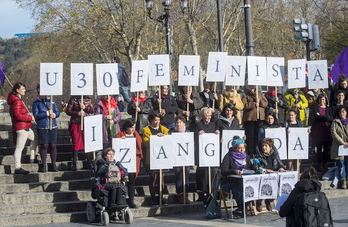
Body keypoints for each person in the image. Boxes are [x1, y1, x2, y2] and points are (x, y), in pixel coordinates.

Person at [7, 82, 37, 174]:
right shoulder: (17, 101)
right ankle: (17, 167)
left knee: (35, 138)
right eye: (22, 89)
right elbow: (18, 115)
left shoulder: (17, 100)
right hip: (21, 127)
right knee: (19, 148)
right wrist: (30, 118)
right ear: (17, 90)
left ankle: (32, 157)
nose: (24, 90)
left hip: (26, 126)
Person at [142, 112, 169, 205]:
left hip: (162, 157)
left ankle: (161, 197)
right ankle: (153, 198)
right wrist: (155, 138)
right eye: (155, 120)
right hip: (152, 158)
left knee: (161, 178)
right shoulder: (146, 130)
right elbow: (145, 143)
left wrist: (164, 137)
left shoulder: (164, 130)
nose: (157, 122)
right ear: (151, 121)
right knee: (153, 178)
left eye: (158, 120)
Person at [220, 138, 252, 218]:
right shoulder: (228, 157)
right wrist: (234, 171)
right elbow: (224, 171)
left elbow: (250, 168)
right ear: (234, 148)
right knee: (239, 188)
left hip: (244, 180)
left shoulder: (246, 157)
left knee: (250, 187)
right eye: (239, 148)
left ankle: (242, 208)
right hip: (230, 182)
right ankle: (242, 208)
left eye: (243, 147)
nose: (242, 150)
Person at [115, 119, 143, 208]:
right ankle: (121, 200)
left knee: (131, 182)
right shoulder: (120, 135)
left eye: (134, 127)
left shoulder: (136, 135)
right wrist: (121, 140)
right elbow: (115, 144)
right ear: (126, 127)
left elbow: (140, 146)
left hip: (132, 161)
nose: (133, 129)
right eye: (131, 127)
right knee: (122, 182)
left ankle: (131, 200)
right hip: (122, 162)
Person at [32, 84, 60, 172]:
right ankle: (43, 165)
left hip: (52, 126)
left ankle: (53, 164)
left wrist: (54, 115)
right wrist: (47, 113)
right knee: (44, 145)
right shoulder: (36, 103)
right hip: (42, 126)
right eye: (39, 92)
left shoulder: (51, 102)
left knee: (53, 145)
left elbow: (57, 112)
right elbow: (36, 115)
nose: (40, 94)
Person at [194, 107, 220, 201]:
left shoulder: (213, 125)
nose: (208, 117)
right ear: (202, 116)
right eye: (206, 116)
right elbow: (194, 137)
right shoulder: (198, 124)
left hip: (211, 154)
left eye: (209, 116)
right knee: (203, 172)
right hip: (202, 153)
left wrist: (217, 134)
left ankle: (212, 190)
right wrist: (198, 134)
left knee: (213, 171)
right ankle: (203, 191)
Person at [254, 138, 286, 212]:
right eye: (263, 146)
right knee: (263, 185)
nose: (264, 148)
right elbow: (255, 167)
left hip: (272, 178)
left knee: (276, 185)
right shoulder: (259, 156)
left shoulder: (274, 155)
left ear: (270, 147)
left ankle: (269, 200)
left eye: (266, 146)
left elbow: (280, 163)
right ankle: (259, 201)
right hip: (262, 178)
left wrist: (281, 168)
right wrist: (266, 170)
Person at [66, 95, 94, 171]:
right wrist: (77, 113)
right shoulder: (73, 99)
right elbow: (68, 111)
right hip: (76, 123)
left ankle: (89, 162)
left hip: (86, 123)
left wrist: (85, 108)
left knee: (86, 142)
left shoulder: (88, 99)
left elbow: (92, 110)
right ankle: (74, 163)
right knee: (76, 142)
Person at [169, 115, 192, 204]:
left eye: (180, 122)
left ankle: (186, 194)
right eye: (177, 122)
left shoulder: (188, 132)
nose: (179, 124)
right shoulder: (172, 132)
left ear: (184, 123)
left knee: (186, 176)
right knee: (178, 175)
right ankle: (180, 195)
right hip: (176, 158)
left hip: (186, 157)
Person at [241, 85, 268, 156]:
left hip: (259, 118)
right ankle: (250, 153)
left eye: (253, 86)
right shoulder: (245, 94)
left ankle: (256, 152)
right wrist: (253, 104)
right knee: (250, 137)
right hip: (249, 119)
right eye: (250, 86)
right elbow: (244, 105)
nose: (252, 87)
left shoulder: (260, 93)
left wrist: (260, 102)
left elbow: (265, 103)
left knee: (257, 136)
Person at [311, 94, 333, 172]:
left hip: (326, 130)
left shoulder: (328, 108)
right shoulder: (315, 108)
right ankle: (320, 163)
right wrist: (326, 117)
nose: (322, 101)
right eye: (320, 99)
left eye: (323, 99)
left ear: (325, 100)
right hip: (318, 130)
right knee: (319, 148)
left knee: (326, 149)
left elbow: (331, 119)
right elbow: (317, 117)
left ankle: (325, 163)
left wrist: (322, 116)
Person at [330, 106, 348, 189]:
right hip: (340, 146)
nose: (342, 113)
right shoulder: (335, 122)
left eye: (343, 111)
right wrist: (343, 142)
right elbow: (334, 133)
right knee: (341, 164)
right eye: (340, 112)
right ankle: (343, 181)